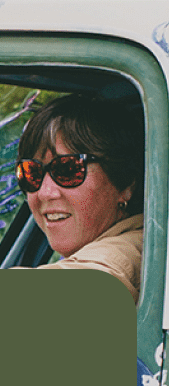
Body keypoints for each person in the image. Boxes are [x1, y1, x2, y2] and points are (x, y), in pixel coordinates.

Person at [15, 94, 144, 302]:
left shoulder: (127, 253)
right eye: (31, 173)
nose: (45, 192)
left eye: (68, 169)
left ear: (126, 183)